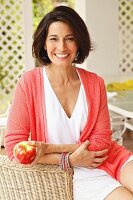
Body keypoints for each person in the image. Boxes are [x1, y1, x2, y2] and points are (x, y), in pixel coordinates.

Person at [5, 5, 133, 200]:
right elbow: (14, 146)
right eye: (54, 39)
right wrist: (69, 160)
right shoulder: (29, 83)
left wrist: (48, 148)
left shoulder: (94, 82)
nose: (62, 47)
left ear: (79, 43)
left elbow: (101, 144)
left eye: (69, 39)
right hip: (80, 173)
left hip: (111, 158)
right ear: (44, 44)